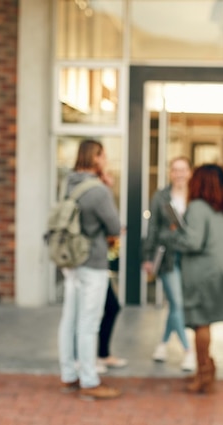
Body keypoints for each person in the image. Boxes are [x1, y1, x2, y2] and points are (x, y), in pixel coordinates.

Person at [160, 163, 223, 394]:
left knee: (200, 323)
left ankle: (204, 374)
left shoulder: (197, 207)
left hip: (201, 275)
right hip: (220, 272)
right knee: (205, 323)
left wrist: (173, 234)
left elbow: (193, 242)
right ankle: (207, 370)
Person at [58, 139, 122, 400]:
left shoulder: (68, 183)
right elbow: (115, 227)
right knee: (89, 323)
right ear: (96, 158)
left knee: (69, 319)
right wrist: (108, 188)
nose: (106, 160)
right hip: (92, 262)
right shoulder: (98, 190)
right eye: (103, 155)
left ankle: (68, 375)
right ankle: (89, 380)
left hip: (70, 261)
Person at [142, 156, 196, 372]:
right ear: (170, 173)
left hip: (189, 257)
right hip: (167, 257)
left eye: (183, 169)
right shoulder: (161, 196)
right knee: (178, 303)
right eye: (175, 170)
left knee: (175, 305)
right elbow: (153, 227)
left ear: (190, 172)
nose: (179, 174)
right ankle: (188, 351)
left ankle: (163, 345)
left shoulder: (195, 196)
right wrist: (147, 257)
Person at [95, 280, 128, 374]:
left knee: (112, 307)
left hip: (99, 272)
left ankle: (103, 354)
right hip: (91, 272)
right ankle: (84, 360)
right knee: (88, 316)